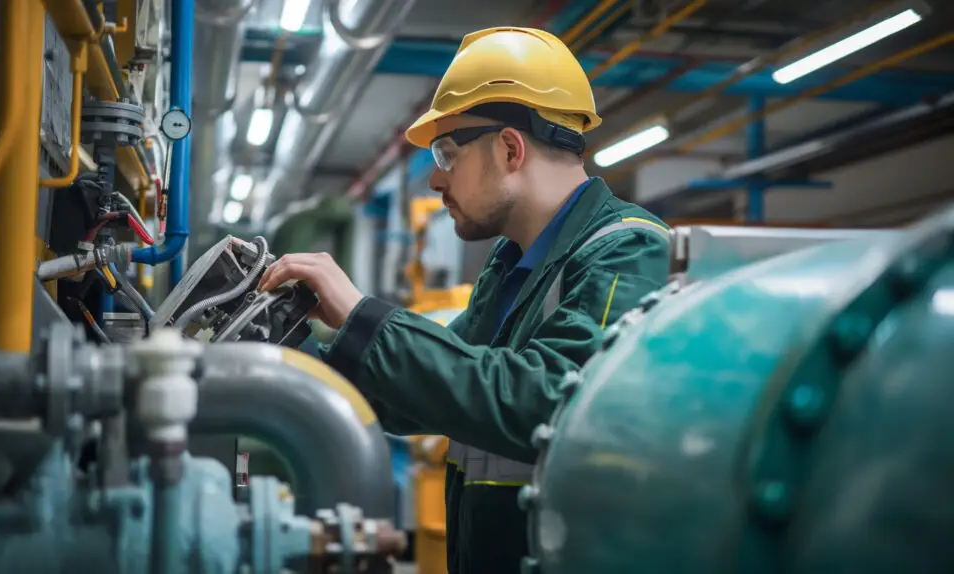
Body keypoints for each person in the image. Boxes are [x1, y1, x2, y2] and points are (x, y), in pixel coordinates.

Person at [258, 26, 671, 574]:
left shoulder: (628, 250)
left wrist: (365, 317)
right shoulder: (509, 267)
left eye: (447, 153)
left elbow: (553, 403)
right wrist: (291, 352)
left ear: (508, 148)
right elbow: (424, 393)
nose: (434, 178)